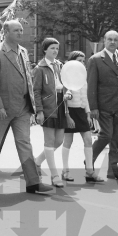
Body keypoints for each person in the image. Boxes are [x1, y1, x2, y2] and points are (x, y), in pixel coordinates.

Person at [0, 20, 53, 194]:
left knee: (25, 143)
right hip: (3, 108)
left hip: (23, 108)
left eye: (21, 30)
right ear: (6, 31)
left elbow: (28, 78)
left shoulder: (24, 51)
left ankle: (33, 182)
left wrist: (33, 106)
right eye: (16, 30)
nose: (20, 33)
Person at [88, 30, 118, 181]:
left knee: (116, 140)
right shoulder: (95, 59)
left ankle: (113, 170)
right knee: (106, 135)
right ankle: (89, 162)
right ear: (104, 41)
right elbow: (91, 86)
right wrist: (93, 107)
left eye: (115, 40)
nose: (112, 42)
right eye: (109, 39)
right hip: (103, 106)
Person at [61, 51, 103, 183]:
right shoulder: (66, 77)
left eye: (83, 61)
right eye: (79, 60)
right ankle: (65, 171)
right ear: (72, 62)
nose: (82, 63)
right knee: (68, 142)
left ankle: (90, 171)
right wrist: (68, 116)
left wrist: (88, 113)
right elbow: (64, 99)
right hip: (70, 112)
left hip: (82, 112)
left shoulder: (83, 77)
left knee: (88, 140)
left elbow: (85, 97)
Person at [33, 38, 67, 187]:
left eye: (57, 48)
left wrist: (68, 94)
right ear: (45, 50)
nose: (55, 51)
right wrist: (39, 111)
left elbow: (66, 84)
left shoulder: (61, 66)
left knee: (59, 141)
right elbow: (36, 91)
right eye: (52, 48)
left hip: (61, 104)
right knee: (49, 141)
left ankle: (37, 161)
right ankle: (54, 175)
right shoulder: (39, 68)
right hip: (48, 107)